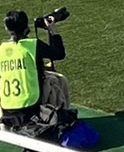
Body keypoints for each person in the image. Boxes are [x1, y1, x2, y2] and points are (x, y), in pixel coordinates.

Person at [1, 10, 75, 142]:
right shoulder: (33, 45)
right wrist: (53, 30)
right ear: (26, 27)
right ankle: (54, 114)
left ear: (7, 28)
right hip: (30, 108)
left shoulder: (2, 49)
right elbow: (59, 54)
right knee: (57, 80)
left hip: (7, 108)